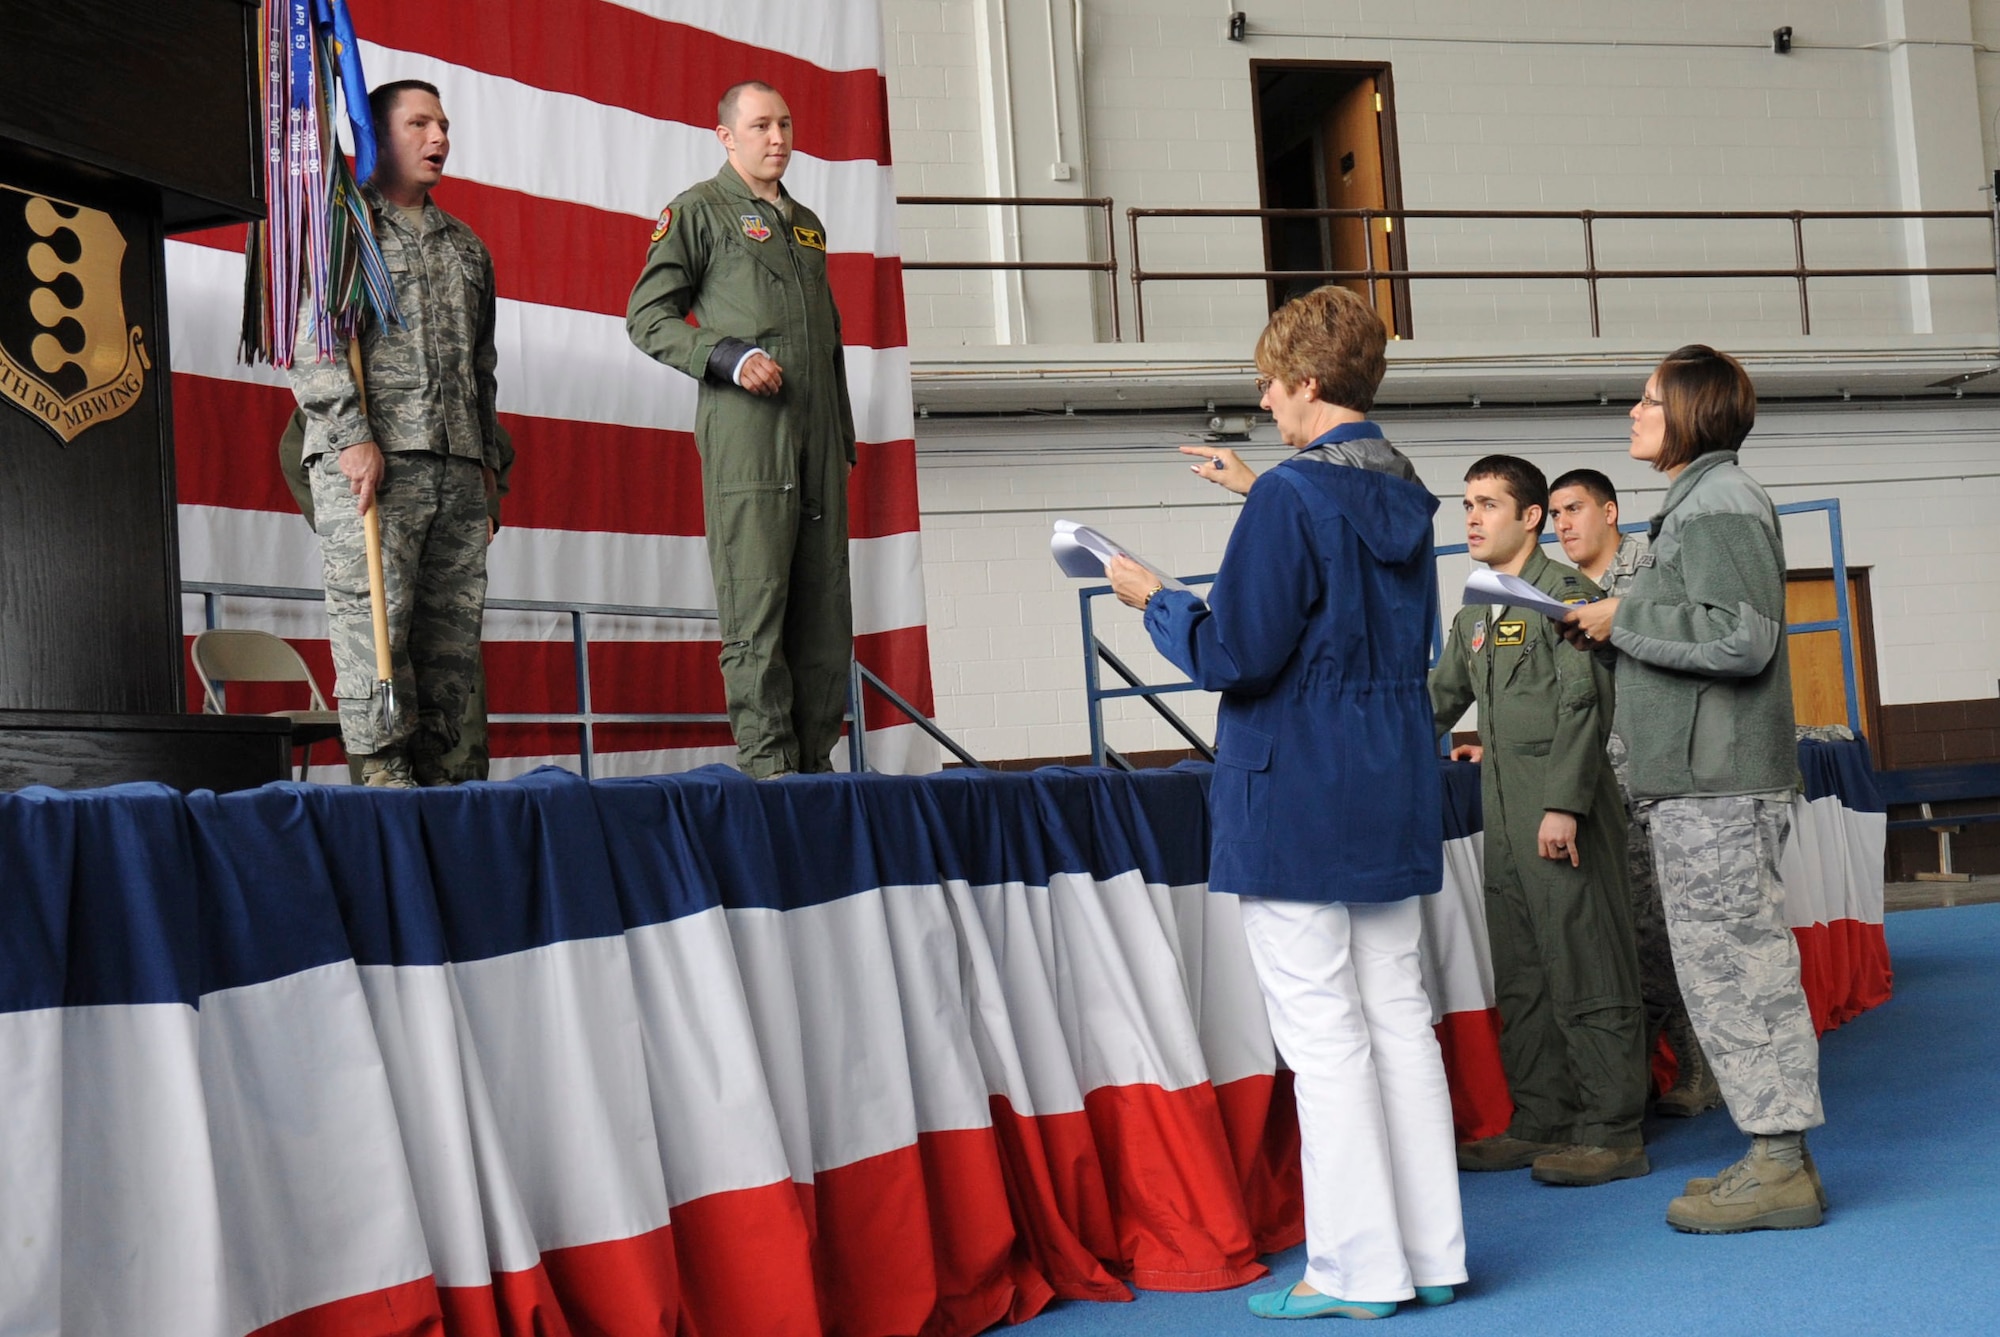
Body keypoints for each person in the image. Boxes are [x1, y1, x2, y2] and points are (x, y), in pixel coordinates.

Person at [1109, 285, 1465, 1319]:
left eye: (1269, 382)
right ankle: (1429, 1248)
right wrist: (1258, 492)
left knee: (1322, 1032)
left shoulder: (1288, 498)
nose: (1263, 400)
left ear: (1307, 382)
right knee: (1397, 1012)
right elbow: (1338, 572)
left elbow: (1237, 653)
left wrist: (1155, 602)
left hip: (1297, 779)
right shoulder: (1400, 487)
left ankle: (1356, 1268)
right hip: (1389, 774)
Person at [1562, 346, 1826, 1235]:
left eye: (1646, 402)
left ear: (1690, 414)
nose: (1632, 415)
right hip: (1696, 782)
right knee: (1719, 972)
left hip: (1718, 784)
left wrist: (1622, 616)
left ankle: (1782, 1163)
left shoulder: (1716, 504)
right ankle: (1769, 1150)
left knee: (1740, 971)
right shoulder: (1698, 502)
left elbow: (1743, 637)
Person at [1430, 456, 1650, 1188]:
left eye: (1488, 503)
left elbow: (1585, 706)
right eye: (1467, 503)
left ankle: (1612, 1128)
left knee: (1585, 960)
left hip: (1563, 813)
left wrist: (1563, 804)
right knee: (1524, 971)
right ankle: (1543, 1117)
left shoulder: (1565, 596)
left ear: (1530, 518)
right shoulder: (1476, 608)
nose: (1471, 517)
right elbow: (1436, 700)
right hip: (1503, 817)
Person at [626, 81, 855, 779]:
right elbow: (647, 316)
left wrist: (840, 440)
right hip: (751, 444)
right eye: (760, 126)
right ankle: (769, 767)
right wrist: (725, 356)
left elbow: (832, 339)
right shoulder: (699, 211)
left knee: (824, 616)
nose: (777, 138)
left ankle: (816, 764)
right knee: (757, 608)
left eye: (785, 124)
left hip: (817, 445)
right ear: (727, 136)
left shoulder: (807, 223)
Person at [287, 79, 500, 789]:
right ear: (376, 135)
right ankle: (382, 782)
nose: (440, 138)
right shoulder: (343, 229)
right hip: (375, 464)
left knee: (447, 644)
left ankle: (439, 777)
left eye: (443, 124)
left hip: (457, 469)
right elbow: (314, 342)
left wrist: (487, 464)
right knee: (376, 631)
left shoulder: (467, 248)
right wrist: (351, 434)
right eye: (419, 124)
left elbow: (481, 367)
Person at [1549, 468, 1722, 1119]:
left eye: (1575, 508)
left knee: (1665, 931)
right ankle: (1640, 1069)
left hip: (1666, 779)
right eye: (1555, 512)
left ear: (1610, 510)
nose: (1564, 523)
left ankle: (1699, 1067)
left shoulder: (1651, 574)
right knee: (1625, 931)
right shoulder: (1561, 591)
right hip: (1602, 785)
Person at [279, 412, 513, 783]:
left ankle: (455, 786)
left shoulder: (443, 376)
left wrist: (485, 508)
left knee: (450, 662)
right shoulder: (350, 390)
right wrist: (344, 524)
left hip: (439, 549)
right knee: (380, 656)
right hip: (379, 541)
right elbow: (298, 450)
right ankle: (386, 784)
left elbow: (490, 439)